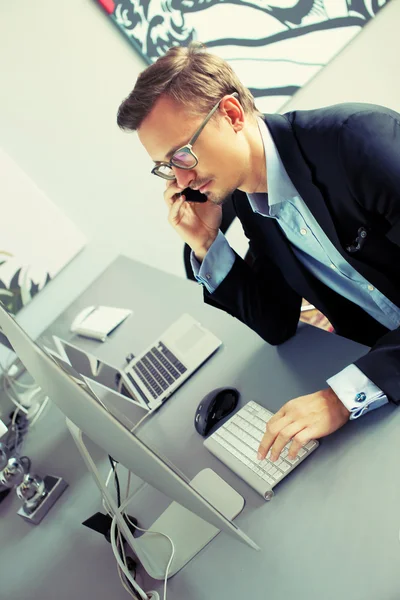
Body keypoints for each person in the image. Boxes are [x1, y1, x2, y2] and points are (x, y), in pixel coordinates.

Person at [116, 41, 400, 464]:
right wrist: (207, 244)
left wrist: (344, 395)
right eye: (165, 166)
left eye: (182, 154)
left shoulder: (356, 141)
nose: (179, 179)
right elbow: (277, 324)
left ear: (231, 114)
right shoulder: (252, 204)